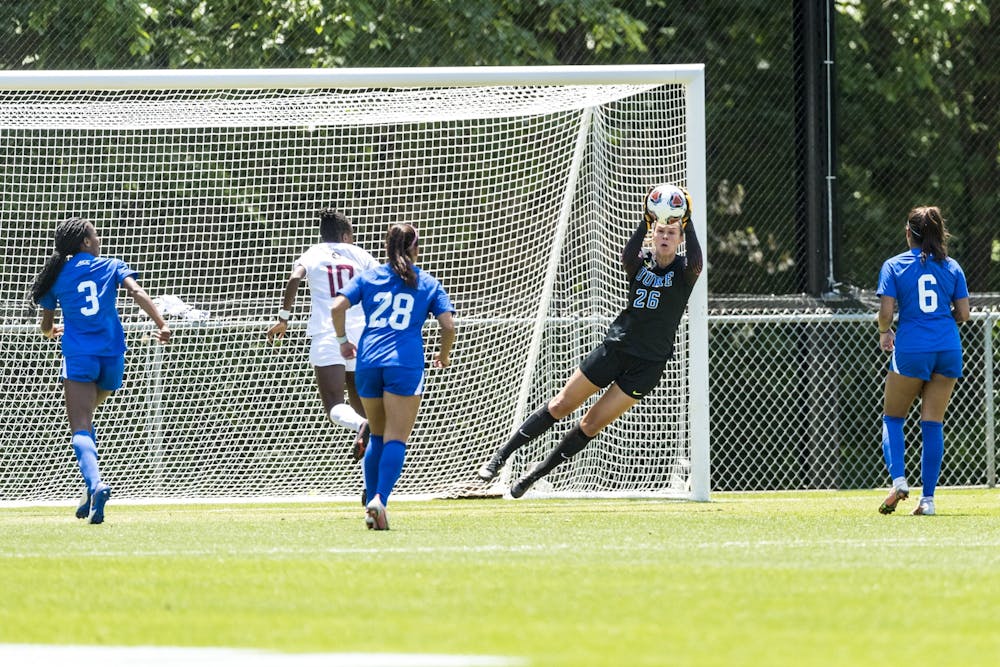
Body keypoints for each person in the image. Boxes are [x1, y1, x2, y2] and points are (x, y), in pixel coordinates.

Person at [477, 183, 703, 498]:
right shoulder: (642, 261)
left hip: (648, 365)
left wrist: (687, 221)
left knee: (591, 423)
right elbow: (627, 254)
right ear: (653, 234)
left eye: (672, 233)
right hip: (615, 348)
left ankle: (535, 474)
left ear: (679, 239)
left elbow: (696, 261)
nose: (665, 237)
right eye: (661, 231)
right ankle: (501, 456)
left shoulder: (684, 270)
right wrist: (647, 218)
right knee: (560, 404)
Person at [30, 216, 171, 524]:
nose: (99, 240)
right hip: (112, 357)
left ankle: (96, 485)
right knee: (88, 419)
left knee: (80, 426)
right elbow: (136, 292)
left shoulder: (58, 276)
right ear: (85, 242)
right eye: (95, 236)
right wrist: (161, 324)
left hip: (80, 357)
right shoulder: (111, 265)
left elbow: (45, 326)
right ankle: (88, 491)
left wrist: (51, 330)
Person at [331, 223, 455, 530]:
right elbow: (448, 325)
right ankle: (379, 501)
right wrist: (444, 354)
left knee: (377, 432)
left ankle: (371, 503)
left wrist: (343, 340)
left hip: (368, 361)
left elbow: (337, 305)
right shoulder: (427, 282)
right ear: (415, 248)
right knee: (396, 437)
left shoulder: (370, 276)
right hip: (404, 364)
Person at [876, 205, 969, 517]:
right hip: (948, 348)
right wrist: (941, 324)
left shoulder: (894, 265)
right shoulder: (952, 266)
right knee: (932, 423)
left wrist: (885, 332)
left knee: (893, 418)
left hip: (912, 349)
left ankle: (899, 480)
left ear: (908, 232)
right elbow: (964, 314)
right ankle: (927, 501)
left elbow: (886, 312)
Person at [266, 208, 379, 464]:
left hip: (328, 333)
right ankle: (372, 474)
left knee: (334, 405)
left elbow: (295, 277)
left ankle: (361, 425)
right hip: (360, 335)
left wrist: (283, 318)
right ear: (346, 235)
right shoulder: (360, 254)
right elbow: (380, 282)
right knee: (362, 402)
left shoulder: (313, 253)